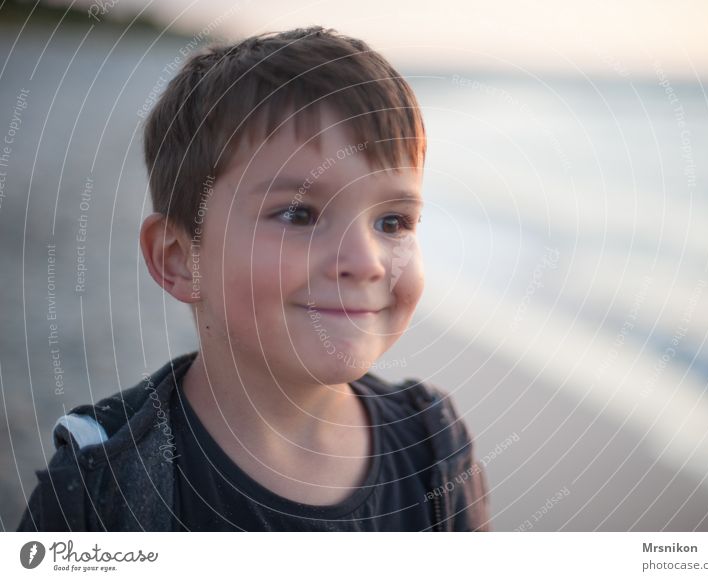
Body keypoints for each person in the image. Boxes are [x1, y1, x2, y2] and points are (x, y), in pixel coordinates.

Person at [17, 26, 490, 531]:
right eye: (299, 214)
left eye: (392, 222)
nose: (367, 261)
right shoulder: (103, 488)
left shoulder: (433, 446)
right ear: (180, 259)